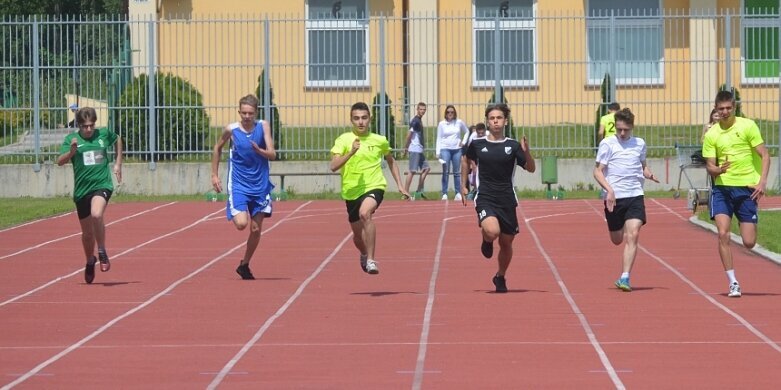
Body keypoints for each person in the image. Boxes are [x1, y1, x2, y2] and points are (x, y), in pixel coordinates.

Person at [460, 103, 535, 293]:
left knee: (506, 243)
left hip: (507, 199)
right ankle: (486, 239)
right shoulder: (477, 144)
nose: (495, 121)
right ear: (487, 121)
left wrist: (526, 151)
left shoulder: (512, 145)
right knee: (493, 231)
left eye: (499, 118)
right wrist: (463, 185)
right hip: (485, 196)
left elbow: (531, 168)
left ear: (505, 121)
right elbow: (465, 160)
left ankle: (500, 276)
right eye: (492, 118)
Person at [702, 90, 770, 298]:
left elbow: (765, 154)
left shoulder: (747, 126)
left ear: (734, 107)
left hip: (746, 189)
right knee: (723, 233)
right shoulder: (712, 134)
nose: (724, 112)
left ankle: (745, 220)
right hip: (722, 189)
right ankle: (733, 282)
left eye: (728, 108)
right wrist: (719, 170)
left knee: (749, 242)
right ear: (716, 108)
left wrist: (761, 182)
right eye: (721, 109)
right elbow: (709, 167)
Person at [330, 102, 410, 275]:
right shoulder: (343, 140)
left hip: (375, 185)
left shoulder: (379, 140)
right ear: (351, 120)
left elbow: (390, 160)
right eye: (357, 118)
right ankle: (364, 253)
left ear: (370, 119)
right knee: (358, 238)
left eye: (364, 118)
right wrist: (350, 152)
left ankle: (372, 260)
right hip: (351, 191)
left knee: (365, 213)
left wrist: (400, 186)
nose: (361, 122)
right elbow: (333, 166)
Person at [593, 108, 659, 292]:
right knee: (616, 239)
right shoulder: (607, 144)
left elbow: (642, 167)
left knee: (634, 234)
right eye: (619, 129)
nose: (622, 133)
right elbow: (597, 171)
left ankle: (625, 277)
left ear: (632, 127)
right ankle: (618, 225)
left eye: (626, 130)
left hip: (635, 195)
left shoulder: (639, 144)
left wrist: (649, 174)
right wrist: (609, 191)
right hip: (614, 198)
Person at [211, 94, 276, 280]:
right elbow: (217, 148)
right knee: (241, 224)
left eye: (250, 113)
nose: (247, 116)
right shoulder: (231, 130)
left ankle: (245, 264)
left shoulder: (263, 126)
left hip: (260, 186)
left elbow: (272, 154)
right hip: (239, 184)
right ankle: (236, 206)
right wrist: (214, 174)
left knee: (255, 229)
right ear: (239, 112)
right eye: (243, 113)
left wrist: (260, 150)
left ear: (256, 112)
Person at [56, 107, 123, 284]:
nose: (88, 129)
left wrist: (117, 164)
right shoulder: (71, 139)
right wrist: (71, 153)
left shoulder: (102, 134)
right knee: (86, 234)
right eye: (85, 126)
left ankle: (101, 251)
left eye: (91, 126)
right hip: (82, 191)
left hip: (102, 185)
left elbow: (117, 139)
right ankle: (89, 260)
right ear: (79, 125)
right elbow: (59, 162)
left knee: (97, 214)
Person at [436, 104, 469, 201]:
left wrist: (463, 142)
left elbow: (467, 131)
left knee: (456, 172)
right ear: (445, 113)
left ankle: (458, 193)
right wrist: (438, 152)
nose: (450, 114)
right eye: (448, 112)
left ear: (454, 113)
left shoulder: (459, 122)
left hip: (457, 150)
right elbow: (439, 137)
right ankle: (444, 193)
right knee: (445, 171)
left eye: (452, 112)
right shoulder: (442, 124)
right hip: (445, 149)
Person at [402, 102, 431, 200]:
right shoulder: (415, 121)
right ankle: (405, 192)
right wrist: (405, 147)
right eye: (421, 109)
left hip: (419, 150)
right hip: (414, 149)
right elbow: (409, 135)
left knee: (426, 168)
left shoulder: (419, 120)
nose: (423, 111)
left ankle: (418, 190)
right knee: (412, 171)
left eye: (424, 109)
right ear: (417, 109)